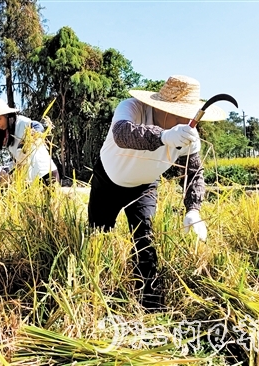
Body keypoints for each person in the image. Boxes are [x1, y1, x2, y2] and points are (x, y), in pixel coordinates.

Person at [88, 75, 226, 310]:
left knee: (145, 240)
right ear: (161, 107)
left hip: (145, 187)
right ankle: (96, 295)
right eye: (179, 113)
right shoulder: (132, 108)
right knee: (97, 238)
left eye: (190, 114)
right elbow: (122, 134)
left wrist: (194, 209)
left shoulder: (189, 135)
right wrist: (162, 136)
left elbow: (194, 173)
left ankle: (150, 304)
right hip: (108, 182)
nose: (185, 121)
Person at [0, 98, 60, 186]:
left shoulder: (21, 122)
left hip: (45, 173)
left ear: (6, 115)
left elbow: (38, 125)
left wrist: (28, 139)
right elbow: (17, 159)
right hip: (30, 179)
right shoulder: (7, 134)